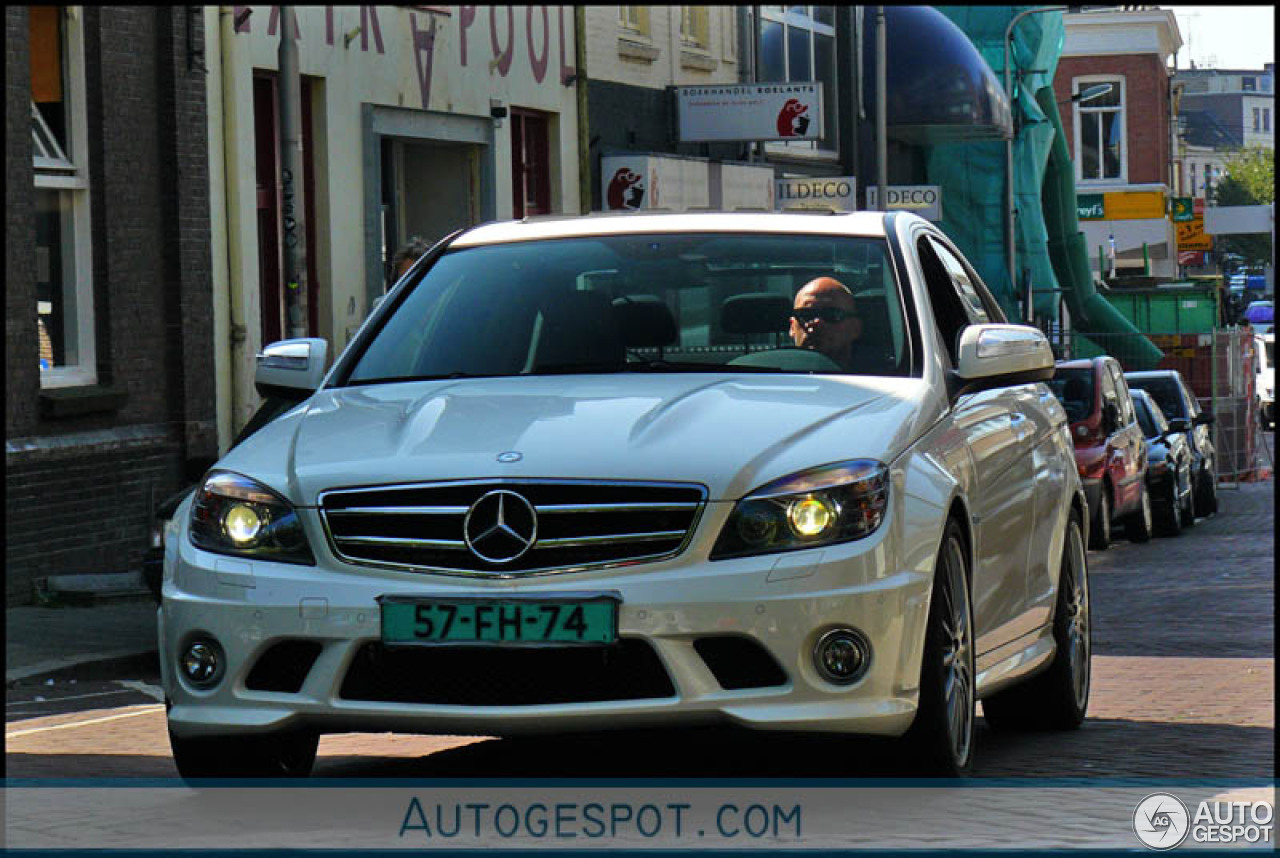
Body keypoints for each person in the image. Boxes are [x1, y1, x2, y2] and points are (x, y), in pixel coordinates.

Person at [789, 276, 863, 369]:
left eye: (831, 314)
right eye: (806, 315)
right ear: (792, 327)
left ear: (855, 328)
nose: (817, 322)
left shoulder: (878, 379)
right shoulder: (772, 378)